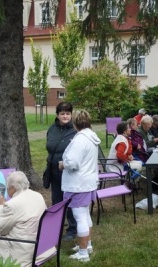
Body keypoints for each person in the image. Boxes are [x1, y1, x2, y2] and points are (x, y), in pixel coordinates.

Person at [60, 110, 100, 262]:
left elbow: (73, 163)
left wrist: (63, 164)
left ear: (75, 123)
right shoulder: (91, 137)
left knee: (80, 217)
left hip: (78, 184)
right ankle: (87, 245)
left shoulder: (79, 140)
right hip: (88, 182)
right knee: (85, 214)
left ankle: (83, 253)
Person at [0, 171, 52, 266]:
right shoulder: (37, 195)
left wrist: (0, 207)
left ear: (13, 188)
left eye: (8, 187)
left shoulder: (12, 204)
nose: (7, 189)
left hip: (24, 250)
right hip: (43, 245)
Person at [45, 102, 77, 241]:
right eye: (62, 113)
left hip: (68, 172)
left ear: (71, 114)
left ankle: (72, 229)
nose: (65, 116)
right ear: (57, 115)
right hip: (53, 171)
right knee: (56, 200)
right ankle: (56, 228)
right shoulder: (52, 129)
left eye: (68, 113)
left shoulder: (75, 130)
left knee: (69, 200)